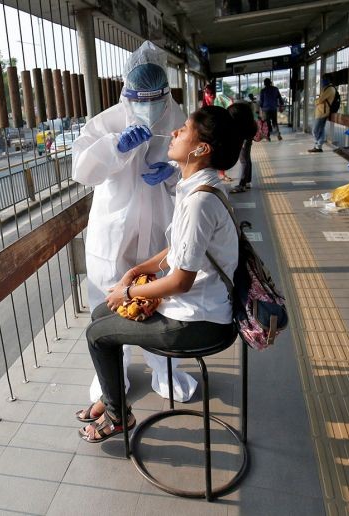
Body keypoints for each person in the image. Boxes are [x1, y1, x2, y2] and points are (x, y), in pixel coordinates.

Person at [77, 105, 242, 443]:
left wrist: (127, 293)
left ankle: (117, 414)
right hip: (204, 308)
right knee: (99, 314)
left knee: (97, 334)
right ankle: (112, 399)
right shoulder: (199, 187)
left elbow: (180, 282)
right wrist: (136, 271)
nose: (175, 132)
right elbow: (176, 251)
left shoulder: (198, 202)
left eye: (184, 129)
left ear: (201, 149)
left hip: (197, 323)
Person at [72, 41, 197, 418]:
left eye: (154, 99)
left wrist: (174, 173)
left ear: (165, 94)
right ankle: (113, 375)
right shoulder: (107, 122)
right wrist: (114, 147)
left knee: (158, 301)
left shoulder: (177, 118)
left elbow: (195, 167)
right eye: (138, 99)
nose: (147, 107)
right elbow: (82, 172)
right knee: (110, 301)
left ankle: (166, 369)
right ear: (126, 93)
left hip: (160, 226)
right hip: (115, 228)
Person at [229, 102, 257, 193]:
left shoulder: (242, 125)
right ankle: (247, 181)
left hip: (245, 139)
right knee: (247, 159)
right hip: (247, 138)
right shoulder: (249, 122)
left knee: (244, 160)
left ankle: (242, 185)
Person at [308, 76, 337, 153]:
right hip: (321, 112)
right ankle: (318, 146)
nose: (322, 82)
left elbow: (320, 99)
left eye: (323, 80)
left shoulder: (330, 89)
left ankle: (318, 144)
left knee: (315, 130)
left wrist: (315, 101)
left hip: (323, 113)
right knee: (321, 130)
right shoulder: (327, 88)